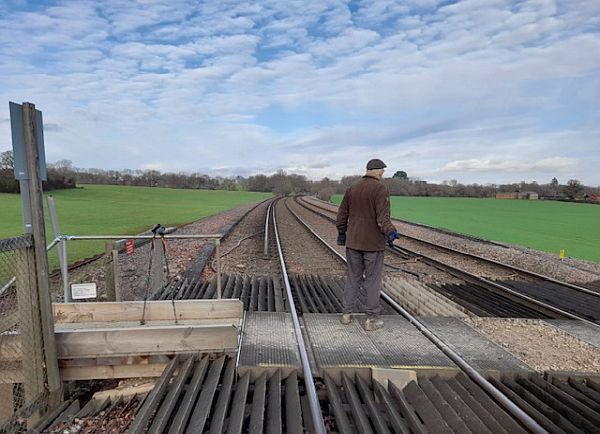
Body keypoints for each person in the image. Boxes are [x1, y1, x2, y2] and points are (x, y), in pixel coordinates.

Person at [336, 158, 400, 331]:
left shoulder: (352, 188)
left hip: (354, 241)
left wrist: (342, 233)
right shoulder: (380, 189)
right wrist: (391, 232)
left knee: (353, 278)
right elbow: (383, 218)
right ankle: (371, 320)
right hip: (373, 244)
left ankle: (346, 314)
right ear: (377, 170)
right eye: (382, 171)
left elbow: (342, 214)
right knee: (372, 280)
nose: (383, 174)